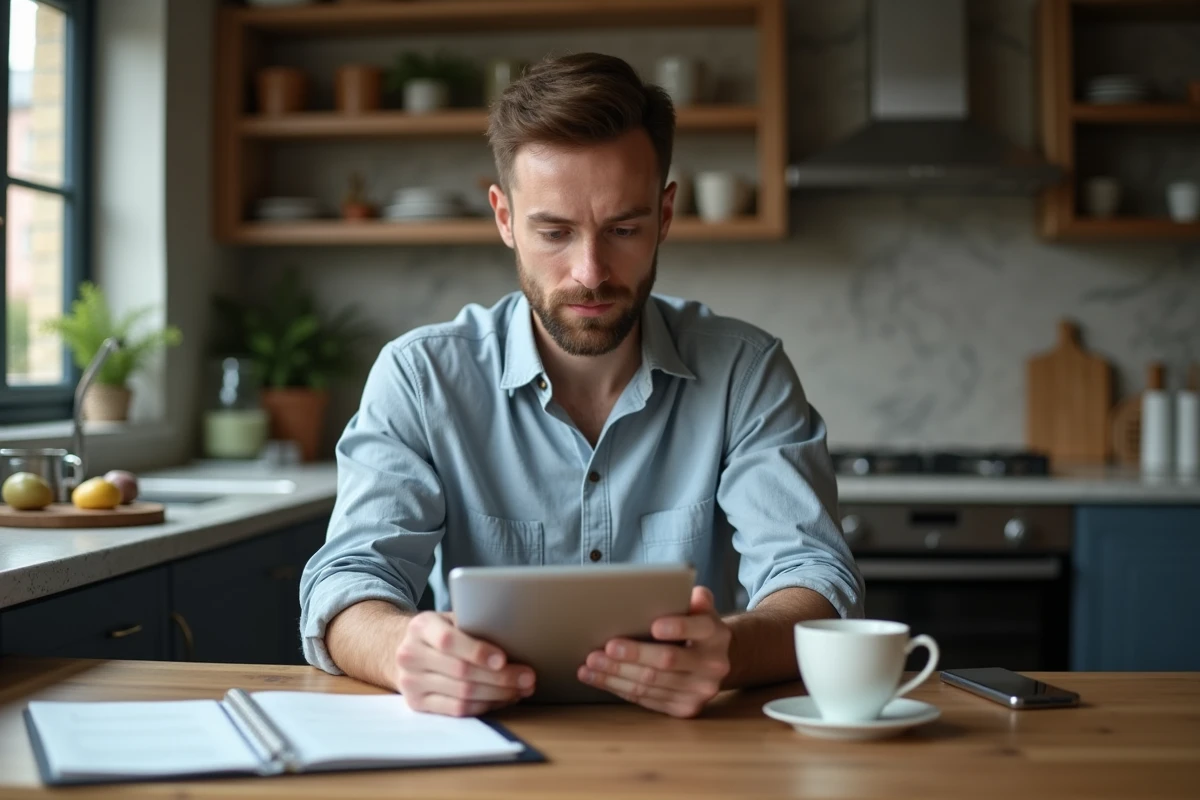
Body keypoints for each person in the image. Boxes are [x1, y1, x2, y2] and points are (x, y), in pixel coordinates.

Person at [299, 52, 863, 719]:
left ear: (666, 213)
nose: (590, 271)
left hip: (697, 755)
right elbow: (345, 585)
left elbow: (816, 581)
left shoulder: (746, 370)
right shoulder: (420, 378)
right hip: (482, 754)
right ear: (505, 218)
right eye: (555, 232)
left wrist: (728, 653)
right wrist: (402, 648)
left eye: (623, 229)